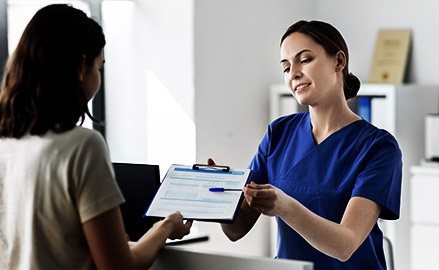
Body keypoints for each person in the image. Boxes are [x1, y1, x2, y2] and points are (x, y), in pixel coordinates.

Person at [0, 4, 191, 270]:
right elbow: (118, 267)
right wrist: (165, 228)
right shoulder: (83, 146)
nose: (97, 79)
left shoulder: (6, 144)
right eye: (98, 67)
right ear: (81, 66)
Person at [213, 20, 402, 270]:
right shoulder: (278, 134)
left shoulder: (378, 147)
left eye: (304, 60)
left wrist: (285, 206)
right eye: (286, 67)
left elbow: (345, 245)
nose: (293, 73)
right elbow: (236, 229)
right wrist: (216, 196)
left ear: (339, 61)